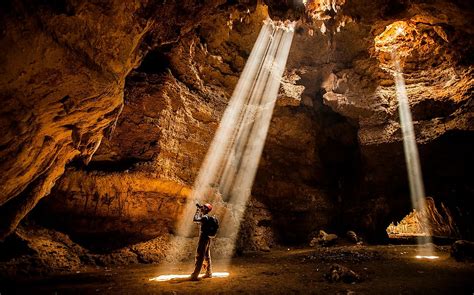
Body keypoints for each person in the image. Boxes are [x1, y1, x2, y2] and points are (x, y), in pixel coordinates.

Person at [190, 203, 215, 280]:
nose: (202, 208)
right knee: (207, 256)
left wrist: (197, 210)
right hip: (207, 239)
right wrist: (200, 210)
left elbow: (195, 219)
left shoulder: (204, 218)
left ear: (206, 209)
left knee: (200, 256)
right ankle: (209, 273)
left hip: (203, 239)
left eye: (203, 207)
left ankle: (195, 275)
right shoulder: (206, 217)